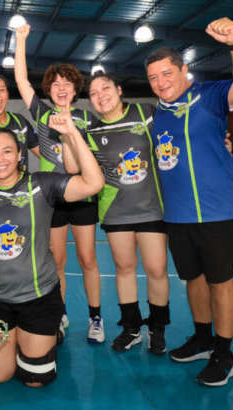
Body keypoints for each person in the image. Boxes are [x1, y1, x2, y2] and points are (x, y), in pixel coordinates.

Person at [145, 17, 233, 386]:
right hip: (178, 215)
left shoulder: (208, 95)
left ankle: (225, 354)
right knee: (193, 278)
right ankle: (204, 338)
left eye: (167, 73)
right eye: (153, 78)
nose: (161, 82)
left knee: (220, 282)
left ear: (184, 70)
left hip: (218, 210)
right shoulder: (158, 113)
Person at [0, 105, 104, 388]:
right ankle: (22, 339)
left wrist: (72, 134)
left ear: (20, 155)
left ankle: (49, 332)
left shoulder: (41, 183)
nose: (0, 159)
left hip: (38, 299)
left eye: (7, 151)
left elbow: (93, 183)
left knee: (35, 380)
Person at [14, 24, 103, 343]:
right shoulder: (41, 113)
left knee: (88, 259)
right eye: (55, 84)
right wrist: (21, 40)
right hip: (51, 198)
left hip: (82, 197)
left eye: (67, 83)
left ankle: (95, 318)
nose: (61, 88)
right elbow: (21, 80)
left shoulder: (88, 119)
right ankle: (60, 314)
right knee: (58, 261)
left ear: (75, 89)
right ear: (49, 91)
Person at [85, 71, 170, 354]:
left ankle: (157, 329)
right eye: (94, 93)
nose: (101, 96)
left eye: (105, 88)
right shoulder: (93, 132)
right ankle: (131, 329)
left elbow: (173, 140)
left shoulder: (145, 113)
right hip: (115, 210)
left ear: (119, 89)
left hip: (151, 208)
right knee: (124, 269)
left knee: (156, 269)